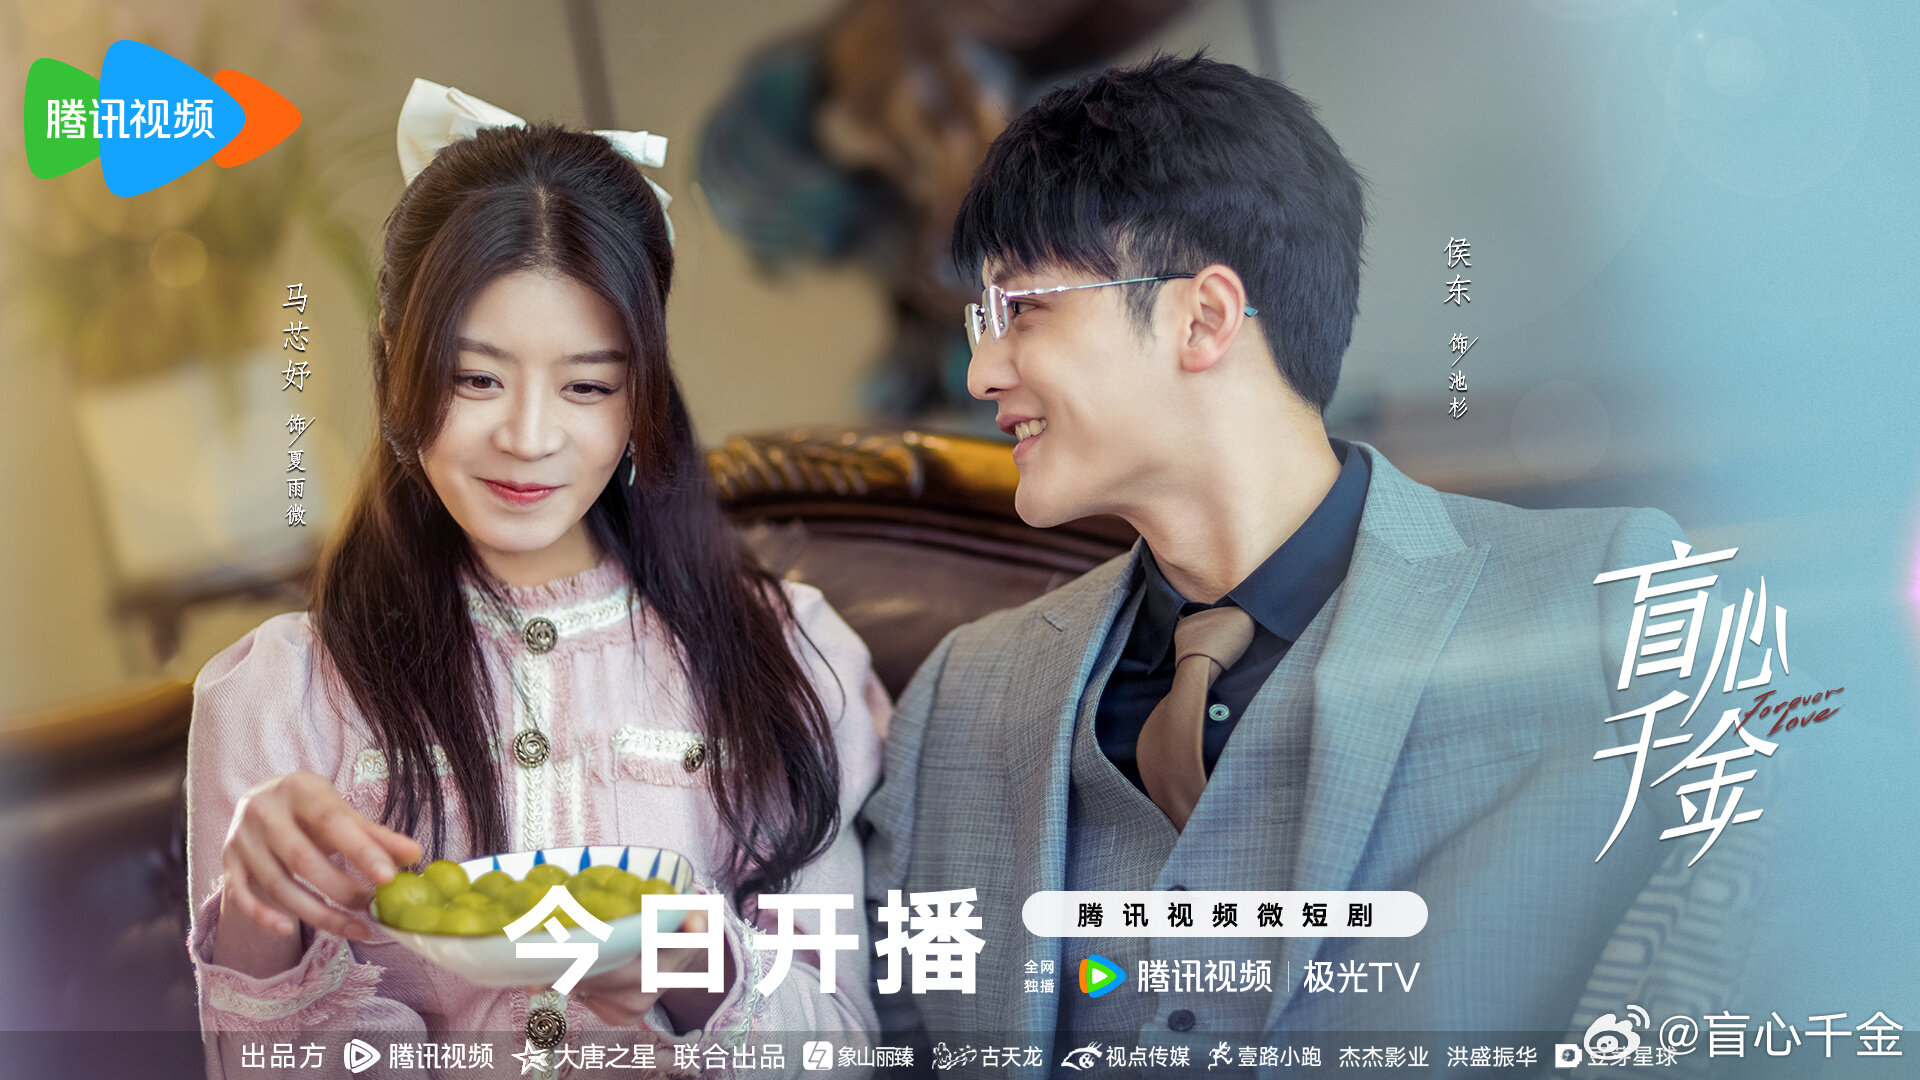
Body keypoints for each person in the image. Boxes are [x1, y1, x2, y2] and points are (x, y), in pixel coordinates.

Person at [860, 55, 1722, 1073]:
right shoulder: (961, 696)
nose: (980, 371)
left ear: (1204, 319)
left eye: (1023, 309)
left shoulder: (1613, 605)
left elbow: (1740, 972)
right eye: (980, 321)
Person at [184, 83, 889, 1079]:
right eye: (476, 378)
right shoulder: (278, 697)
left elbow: (841, 1053)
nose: (527, 436)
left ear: (642, 392)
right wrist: (265, 926)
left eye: (587, 386)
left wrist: (694, 961)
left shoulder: (786, 656)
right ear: (395, 363)